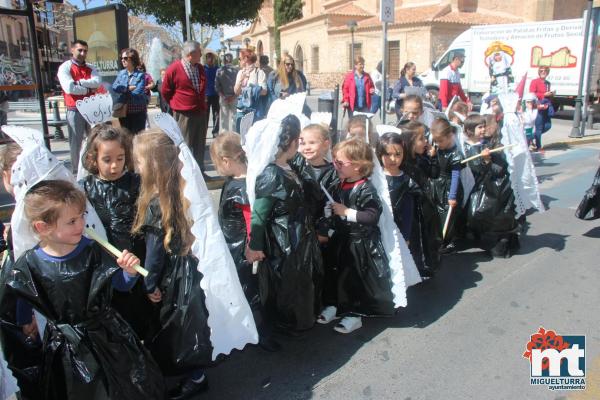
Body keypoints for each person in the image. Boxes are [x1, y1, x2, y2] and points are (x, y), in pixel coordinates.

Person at [7, 180, 165, 399]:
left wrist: (129, 272)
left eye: (82, 215)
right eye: (72, 221)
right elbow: (24, 293)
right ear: (42, 227)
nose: (81, 224)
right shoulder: (30, 263)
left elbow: (120, 284)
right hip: (65, 346)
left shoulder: (91, 250)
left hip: (108, 334)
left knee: (124, 387)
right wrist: (25, 320)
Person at [132, 130, 213, 399]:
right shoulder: (178, 191)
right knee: (189, 324)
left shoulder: (156, 202)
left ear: (153, 166)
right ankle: (195, 371)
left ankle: (195, 376)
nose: (136, 167)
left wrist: (149, 283)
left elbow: (154, 255)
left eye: (140, 162)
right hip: (188, 269)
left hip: (173, 278)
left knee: (179, 328)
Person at [245, 115, 323, 334]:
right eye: (298, 140)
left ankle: (300, 318)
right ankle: (286, 323)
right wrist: (255, 245)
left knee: (300, 282)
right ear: (290, 142)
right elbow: (259, 215)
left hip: (298, 236)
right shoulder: (271, 174)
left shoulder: (288, 165)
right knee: (287, 284)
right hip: (284, 241)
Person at [209, 132, 280, 352]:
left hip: (243, 250)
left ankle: (261, 332)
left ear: (226, 161)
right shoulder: (240, 181)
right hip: (235, 245)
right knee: (248, 289)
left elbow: (252, 222)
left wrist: (252, 248)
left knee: (250, 290)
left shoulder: (244, 187)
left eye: (216, 164)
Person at [79, 125, 151, 339]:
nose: (114, 166)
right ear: (93, 159)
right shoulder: (85, 188)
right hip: (105, 260)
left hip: (137, 254)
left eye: (120, 158)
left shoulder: (135, 183)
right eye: (107, 159)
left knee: (141, 310)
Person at [319, 139, 395, 333]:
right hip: (342, 240)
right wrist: (331, 213)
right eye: (334, 161)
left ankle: (355, 314)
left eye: (340, 163)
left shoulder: (366, 188)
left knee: (355, 280)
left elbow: (371, 217)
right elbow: (339, 211)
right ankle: (335, 306)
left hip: (361, 244)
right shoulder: (340, 184)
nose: (335, 166)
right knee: (336, 275)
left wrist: (346, 212)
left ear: (359, 165)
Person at [463, 114, 519, 257]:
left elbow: (496, 169)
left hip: (487, 187)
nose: (483, 130)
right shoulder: (463, 145)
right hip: (469, 185)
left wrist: (487, 160)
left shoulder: (489, 146)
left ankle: (495, 242)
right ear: (469, 130)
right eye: (479, 127)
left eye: (484, 126)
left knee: (483, 213)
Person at [161, 41, 210, 176]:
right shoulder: (174, 69)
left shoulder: (200, 68)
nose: (201, 54)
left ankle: (200, 172)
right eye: (199, 51)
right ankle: (184, 173)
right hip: (184, 113)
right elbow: (165, 90)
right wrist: (176, 104)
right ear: (190, 54)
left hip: (200, 111)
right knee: (185, 144)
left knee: (200, 144)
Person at [400, 121, 441, 277]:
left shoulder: (421, 158)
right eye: (421, 139)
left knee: (426, 236)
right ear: (410, 142)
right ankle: (417, 267)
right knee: (415, 239)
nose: (425, 141)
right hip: (413, 208)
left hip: (424, 206)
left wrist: (433, 158)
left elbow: (434, 174)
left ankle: (424, 263)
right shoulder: (404, 164)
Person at [57, 40, 102, 174]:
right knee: (75, 143)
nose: (83, 53)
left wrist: (79, 83)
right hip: (74, 109)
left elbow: (97, 82)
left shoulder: (91, 67)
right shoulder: (65, 67)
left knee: (95, 139)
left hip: (91, 108)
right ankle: (77, 170)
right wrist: (88, 90)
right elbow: (69, 88)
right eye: (80, 50)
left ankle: (94, 167)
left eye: (85, 51)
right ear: (72, 50)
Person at [429, 118, 464, 253]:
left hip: (450, 187)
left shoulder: (455, 154)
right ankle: (439, 239)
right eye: (436, 141)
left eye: (441, 141)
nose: (438, 144)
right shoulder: (439, 149)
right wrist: (433, 156)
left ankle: (449, 241)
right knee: (438, 213)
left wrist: (452, 196)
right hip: (439, 185)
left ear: (450, 136)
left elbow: (455, 176)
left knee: (447, 215)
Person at [376, 132, 414, 242]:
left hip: (398, 230)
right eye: (388, 154)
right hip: (377, 228)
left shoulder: (407, 180)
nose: (393, 159)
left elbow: (408, 211)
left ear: (404, 154)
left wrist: (406, 237)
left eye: (398, 154)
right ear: (380, 154)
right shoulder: (374, 177)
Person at [112, 48, 148, 134]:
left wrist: (122, 90)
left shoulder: (140, 75)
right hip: (123, 112)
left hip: (138, 111)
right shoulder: (121, 73)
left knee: (137, 138)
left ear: (133, 59)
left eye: (125, 58)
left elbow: (137, 92)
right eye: (122, 58)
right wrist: (127, 88)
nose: (122, 60)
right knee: (126, 137)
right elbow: (114, 87)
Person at [234, 49, 268, 131]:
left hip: (254, 111)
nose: (238, 61)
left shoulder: (259, 72)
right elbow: (236, 92)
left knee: (254, 138)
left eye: (240, 59)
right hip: (241, 110)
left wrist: (251, 90)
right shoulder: (240, 73)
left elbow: (264, 91)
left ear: (246, 59)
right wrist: (241, 80)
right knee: (241, 138)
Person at [215, 54, 238, 132]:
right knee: (234, 118)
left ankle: (225, 137)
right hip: (234, 97)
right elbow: (239, 85)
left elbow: (217, 86)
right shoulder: (237, 70)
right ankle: (234, 136)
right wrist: (234, 96)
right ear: (231, 60)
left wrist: (223, 96)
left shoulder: (219, 70)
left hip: (223, 97)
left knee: (224, 119)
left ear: (224, 60)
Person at [204, 52, 220, 137]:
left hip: (215, 94)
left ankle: (215, 132)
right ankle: (204, 132)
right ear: (206, 59)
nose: (210, 60)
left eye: (212, 58)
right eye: (209, 58)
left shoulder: (217, 69)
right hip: (206, 96)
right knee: (205, 115)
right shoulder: (203, 69)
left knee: (216, 114)